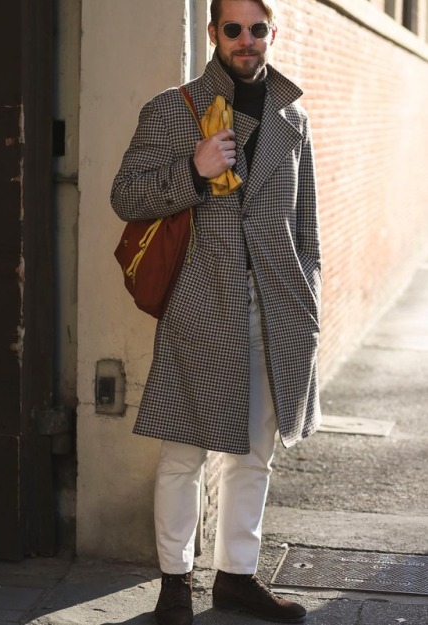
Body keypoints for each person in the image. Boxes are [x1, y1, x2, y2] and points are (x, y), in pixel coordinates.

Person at [111, 0, 321, 622]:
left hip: (276, 308)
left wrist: (309, 291)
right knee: (184, 451)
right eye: (234, 29)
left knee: (255, 453)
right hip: (202, 306)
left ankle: (237, 576)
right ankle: (175, 583)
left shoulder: (293, 117)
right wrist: (196, 172)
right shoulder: (172, 110)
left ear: (272, 34)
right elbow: (126, 195)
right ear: (213, 34)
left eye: (258, 30)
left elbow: (305, 221)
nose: (246, 41)